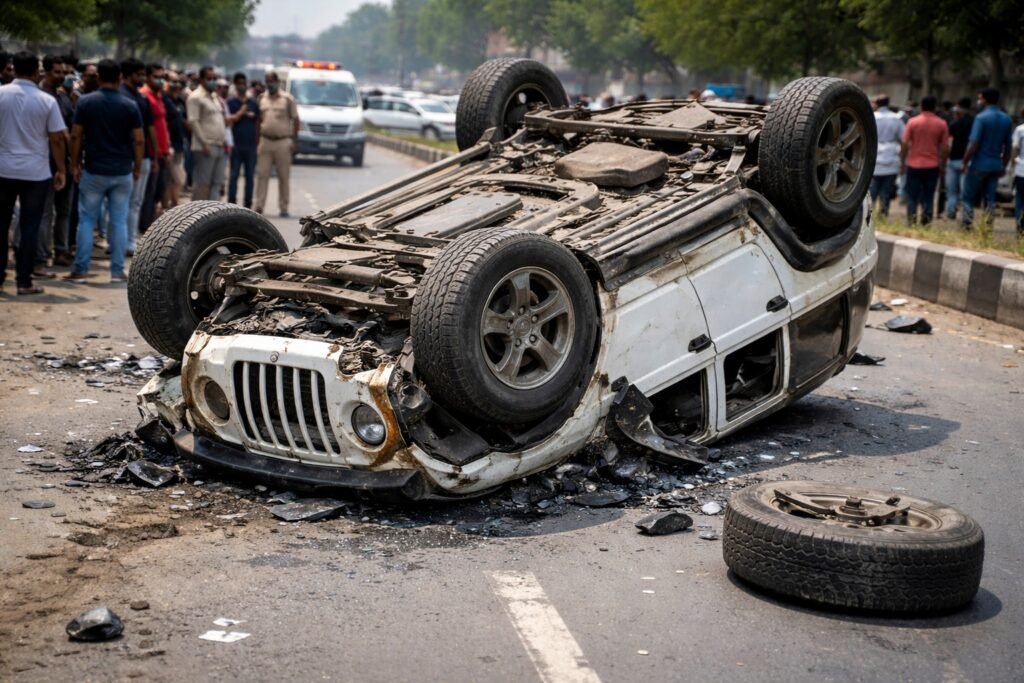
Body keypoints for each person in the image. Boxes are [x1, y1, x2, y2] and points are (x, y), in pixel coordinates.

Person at [66, 58, 143, 283]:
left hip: (94, 170)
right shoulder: (130, 105)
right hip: (121, 171)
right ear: (119, 78)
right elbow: (139, 141)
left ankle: (80, 269)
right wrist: (137, 167)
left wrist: (74, 164)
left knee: (87, 220)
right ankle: (117, 271)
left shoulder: (86, 102)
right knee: (118, 221)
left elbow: (76, 135)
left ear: (98, 76)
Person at [0, 51, 67, 295]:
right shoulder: (45, 100)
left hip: (3, 169)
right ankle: (23, 281)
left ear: (13, 68)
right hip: (35, 172)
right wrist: (61, 169)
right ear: (35, 71)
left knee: (1, 223)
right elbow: (57, 139)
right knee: (30, 227)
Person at [37, 54, 75, 270]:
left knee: (64, 211)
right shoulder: (41, 97)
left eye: (64, 72)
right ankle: (40, 257)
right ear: (45, 72)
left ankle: (61, 251)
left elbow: (69, 132)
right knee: (44, 212)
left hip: (64, 164)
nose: (62, 76)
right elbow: (58, 137)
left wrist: (72, 162)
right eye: (57, 72)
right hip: (46, 163)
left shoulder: (62, 98)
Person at [960, 87, 1013, 230]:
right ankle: (987, 226)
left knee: (968, 197)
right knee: (990, 198)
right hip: (995, 164)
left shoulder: (981, 118)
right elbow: (1008, 147)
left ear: (984, 99)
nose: (979, 101)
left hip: (978, 163)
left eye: (980, 98)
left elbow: (974, 143)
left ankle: (967, 224)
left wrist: (965, 161)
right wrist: (1003, 165)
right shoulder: (1006, 119)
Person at [120, 57, 157, 255]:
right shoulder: (125, 97)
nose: (142, 77)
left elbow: (150, 129)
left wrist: (155, 155)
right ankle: (125, 241)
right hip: (131, 156)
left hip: (142, 156)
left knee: (134, 202)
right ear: (128, 75)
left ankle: (127, 239)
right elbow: (140, 135)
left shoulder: (141, 98)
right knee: (128, 203)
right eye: (139, 74)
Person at [254, 70, 298, 217]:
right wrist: (257, 140)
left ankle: (284, 207)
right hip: (265, 140)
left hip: (282, 141)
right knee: (262, 175)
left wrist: (293, 140)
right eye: (268, 81)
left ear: (277, 82)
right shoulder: (262, 98)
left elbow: (296, 119)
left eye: (272, 81)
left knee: (283, 176)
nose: (270, 84)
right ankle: (259, 205)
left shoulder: (287, 99)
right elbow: (259, 120)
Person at [900, 95, 949, 225]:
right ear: (935, 107)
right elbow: (945, 147)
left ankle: (911, 221)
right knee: (929, 195)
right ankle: (926, 222)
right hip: (932, 165)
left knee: (912, 196)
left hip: (913, 164)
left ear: (921, 106)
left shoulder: (913, 122)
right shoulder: (941, 123)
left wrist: (902, 161)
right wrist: (943, 165)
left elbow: (904, 143)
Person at [186, 66, 227, 201]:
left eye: (214, 79)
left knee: (217, 183)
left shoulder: (215, 97)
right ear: (201, 79)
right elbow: (193, 121)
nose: (213, 81)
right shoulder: (195, 97)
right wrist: (204, 143)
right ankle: (197, 216)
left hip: (219, 145)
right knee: (202, 184)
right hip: (205, 146)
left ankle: (213, 217)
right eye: (209, 78)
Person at [140, 63, 170, 229]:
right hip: (152, 153)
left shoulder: (158, 96)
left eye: (161, 77)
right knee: (148, 193)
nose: (159, 80)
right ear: (148, 77)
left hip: (162, 152)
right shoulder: (146, 97)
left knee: (157, 191)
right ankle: (145, 227)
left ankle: (148, 223)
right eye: (156, 76)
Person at [227, 71, 259, 208]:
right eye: (239, 84)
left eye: (244, 83)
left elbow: (258, 121)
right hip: (236, 145)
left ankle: (248, 204)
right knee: (234, 175)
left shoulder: (253, 102)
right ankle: (231, 203)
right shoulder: (231, 102)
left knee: (250, 177)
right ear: (235, 85)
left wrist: (257, 141)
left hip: (250, 145)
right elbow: (230, 121)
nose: (242, 86)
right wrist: (242, 111)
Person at [870, 95, 905, 217]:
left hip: (875, 157)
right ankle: (883, 214)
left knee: (872, 192)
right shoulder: (896, 118)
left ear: (877, 104)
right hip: (892, 157)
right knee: (886, 191)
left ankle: (868, 215)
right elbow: (903, 140)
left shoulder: (873, 117)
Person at [944, 97, 974, 219]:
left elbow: (949, 141)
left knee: (951, 191)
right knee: (965, 192)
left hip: (954, 159)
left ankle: (951, 212)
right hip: (968, 160)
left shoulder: (955, 123)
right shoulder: (974, 122)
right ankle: (966, 217)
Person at [163, 73, 187, 208]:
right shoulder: (164, 99)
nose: (176, 85)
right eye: (173, 82)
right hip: (168, 145)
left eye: (178, 82)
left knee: (176, 180)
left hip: (179, 143)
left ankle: (173, 205)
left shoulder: (179, 101)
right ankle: (168, 207)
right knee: (172, 178)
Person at [1011, 108, 1024, 234]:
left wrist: (1012, 164)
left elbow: (1015, 148)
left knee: (1020, 201)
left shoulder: (1020, 129)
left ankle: (1020, 229)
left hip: (1021, 171)